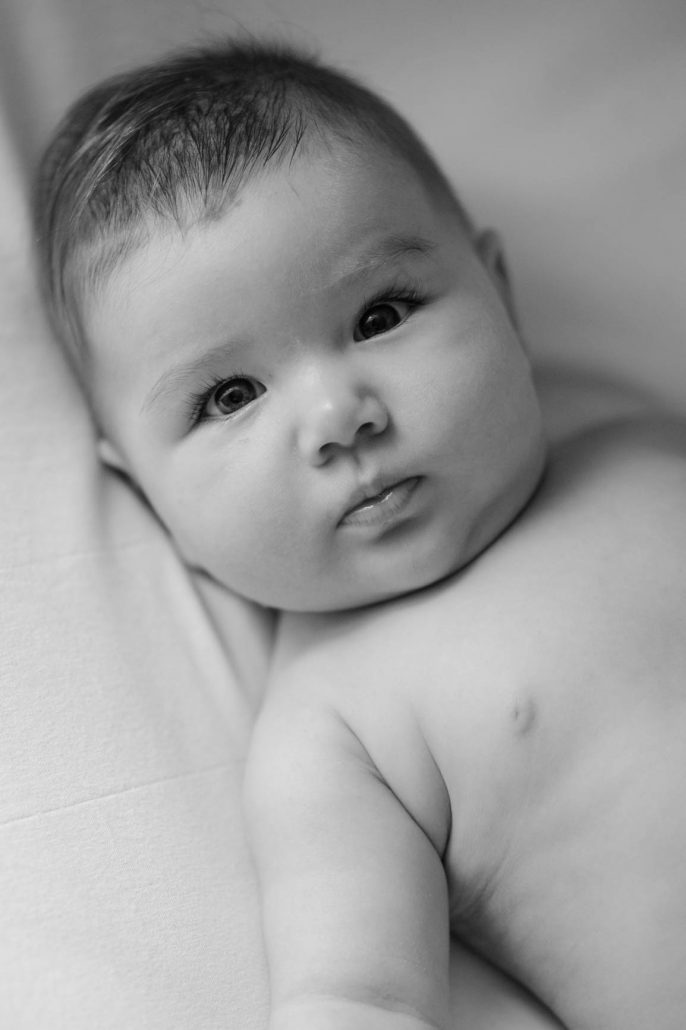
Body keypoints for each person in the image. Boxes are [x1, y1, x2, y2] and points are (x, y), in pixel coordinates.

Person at [33, 38, 686, 1030]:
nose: (340, 414)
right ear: (145, 488)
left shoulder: (631, 440)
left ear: (498, 294)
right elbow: (359, 992)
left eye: (381, 313)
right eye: (230, 395)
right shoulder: (335, 730)